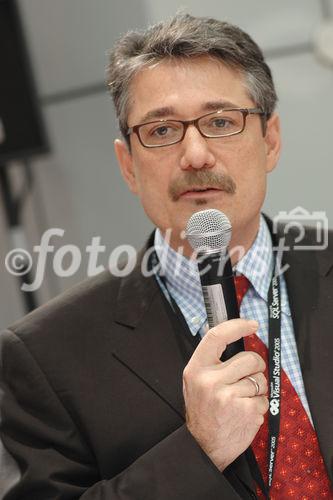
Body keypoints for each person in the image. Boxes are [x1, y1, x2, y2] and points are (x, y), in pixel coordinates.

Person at [0, 13, 332, 500]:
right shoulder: (45, 357)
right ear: (128, 165)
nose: (195, 154)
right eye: (161, 131)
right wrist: (198, 451)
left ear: (270, 141)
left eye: (221, 122)